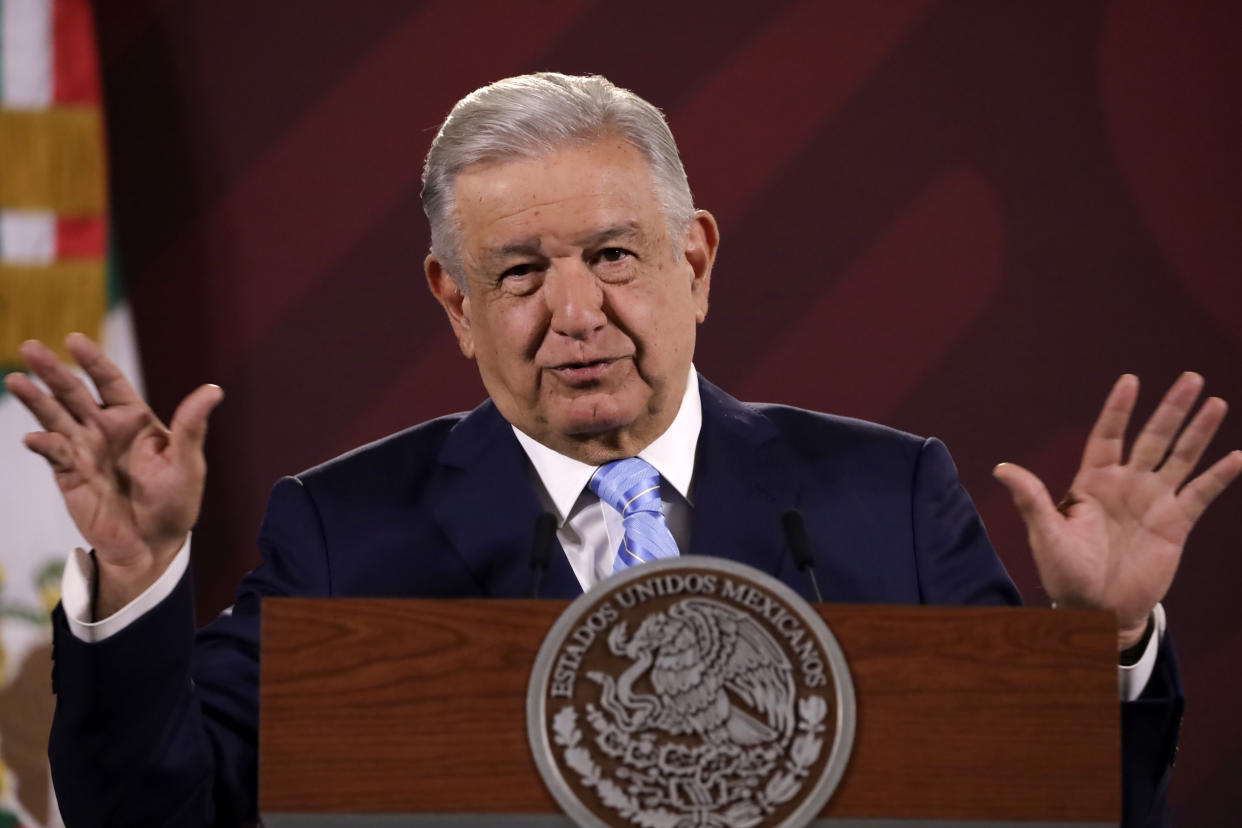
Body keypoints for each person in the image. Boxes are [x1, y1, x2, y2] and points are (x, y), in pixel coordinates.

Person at [5, 73, 1239, 828]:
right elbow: (159, 817)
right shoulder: (344, 530)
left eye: (613, 255)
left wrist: (1105, 650)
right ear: (454, 302)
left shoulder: (884, 496)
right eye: (521, 273)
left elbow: (1062, 813)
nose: (575, 312)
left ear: (694, 261)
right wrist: (136, 584)